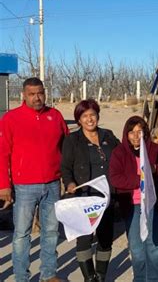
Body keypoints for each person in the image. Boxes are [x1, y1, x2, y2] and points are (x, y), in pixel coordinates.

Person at [0, 77, 69, 282]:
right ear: (23, 95)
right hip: (24, 187)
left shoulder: (55, 116)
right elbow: (2, 154)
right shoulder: (11, 119)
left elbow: (66, 148)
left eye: (40, 93)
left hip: (53, 184)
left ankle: (49, 274)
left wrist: (69, 177)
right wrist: (4, 185)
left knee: (51, 232)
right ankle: (22, 277)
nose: (37, 97)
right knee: (22, 234)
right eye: (32, 94)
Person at [61, 99, 120, 282]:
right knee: (85, 238)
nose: (89, 119)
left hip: (107, 196)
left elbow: (121, 157)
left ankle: (101, 276)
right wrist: (69, 183)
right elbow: (65, 167)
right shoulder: (72, 140)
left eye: (92, 115)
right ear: (78, 120)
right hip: (84, 197)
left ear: (98, 116)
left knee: (105, 239)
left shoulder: (108, 135)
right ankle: (89, 277)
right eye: (84, 116)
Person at [109, 116, 158, 282]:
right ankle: (140, 278)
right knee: (136, 247)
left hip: (152, 203)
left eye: (139, 132)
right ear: (126, 134)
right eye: (132, 132)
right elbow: (115, 178)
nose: (136, 136)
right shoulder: (119, 152)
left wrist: (155, 169)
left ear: (145, 133)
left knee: (154, 245)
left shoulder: (154, 149)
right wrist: (140, 180)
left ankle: (155, 278)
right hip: (132, 205)